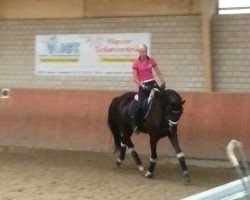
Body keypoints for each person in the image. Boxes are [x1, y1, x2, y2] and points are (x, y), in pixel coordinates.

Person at [129, 44, 166, 134]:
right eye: (142, 52)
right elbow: (134, 78)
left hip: (152, 83)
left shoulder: (151, 61)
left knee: (162, 99)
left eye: (145, 51)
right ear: (139, 52)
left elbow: (158, 72)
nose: (144, 53)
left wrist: (163, 82)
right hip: (143, 85)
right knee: (140, 104)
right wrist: (143, 86)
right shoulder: (136, 63)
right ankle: (135, 124)